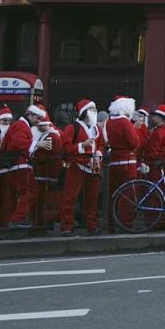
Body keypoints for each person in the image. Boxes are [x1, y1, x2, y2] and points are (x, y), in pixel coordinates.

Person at [60, 99, 105, 235]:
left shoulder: (97, 127)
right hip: (77, 165)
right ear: (84, 112)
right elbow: (66, 147)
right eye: (92, 110)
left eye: (95, 110)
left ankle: (92, 224)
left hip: (94, 166)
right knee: (70, 197)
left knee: (92, 198)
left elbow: (102, 144)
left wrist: (98, 153)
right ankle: (67, 226)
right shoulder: (72, 127)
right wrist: (82, 145)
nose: (94, 112)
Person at [0, 104, 43, 228]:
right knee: (31, 190)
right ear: (30, 115)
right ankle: (17, 219)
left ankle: (9, 222)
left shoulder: (18, 125)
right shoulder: (21, 126)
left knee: (14, 195)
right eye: (37, 118)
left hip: (14, 164)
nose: (39, 121)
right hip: (19, 164)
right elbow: (17, 142)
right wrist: (38, 144)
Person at [105, 96, 141, 231]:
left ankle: (111, 224)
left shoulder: (109, 121)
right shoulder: (125, 122)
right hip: (127, 160)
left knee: (113, 193)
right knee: (128, 193)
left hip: (114, 159)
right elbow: (134, 142)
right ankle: (126, 223)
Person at [30, 111, 62, 228]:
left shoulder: (52, 137)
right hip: (42, 173)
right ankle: (40, 223)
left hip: (44, 173)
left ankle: (41, 224)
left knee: (41, 201)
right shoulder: (46, 136)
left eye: (40, 125)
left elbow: (51, 156)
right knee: (40, 200)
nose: (38, 127)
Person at [142, 105, 165, 184]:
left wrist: (146, 164)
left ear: (161, 118)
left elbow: (151, 153)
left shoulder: (158, 133)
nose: (153, 118)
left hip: (155, 169)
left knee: (154, 193)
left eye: (155, 116)